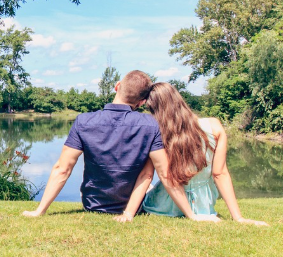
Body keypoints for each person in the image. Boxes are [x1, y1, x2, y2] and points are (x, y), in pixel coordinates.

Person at [21, 70, 217, 220]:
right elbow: (162, 174)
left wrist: (40, 210)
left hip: (93, 205)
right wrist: (192, 216)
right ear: (141, 102)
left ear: (117, 86)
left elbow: (62, 170)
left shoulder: (83, 121)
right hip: (134, 206)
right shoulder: (150, 125)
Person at [113, 82, 268, 225]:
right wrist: (238, 218)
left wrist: (128, 213)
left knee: (149, 185)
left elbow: (146, 175)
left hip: (163, 206)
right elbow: (220, 174)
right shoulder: (214, 126)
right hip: (202, 207)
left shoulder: (156, 133)